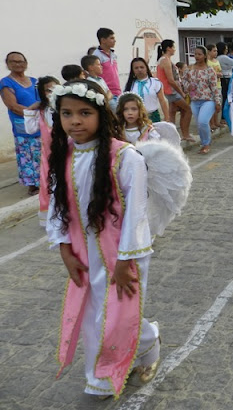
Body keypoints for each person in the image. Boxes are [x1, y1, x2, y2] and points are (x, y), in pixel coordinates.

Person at [46, 80, 160, 399]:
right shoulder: (64, 155)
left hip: (122, 252)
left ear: (101, 114)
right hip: (83, 252)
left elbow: (136, 213)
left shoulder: (125, 156)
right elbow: (57, 204)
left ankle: (139, 351)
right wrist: (65, 249)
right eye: (67, 113)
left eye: (84, 113)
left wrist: (125, 261)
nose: (75, 121)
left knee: (119, 312)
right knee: (94, 313)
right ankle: (103, 371)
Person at [0, 52, 41, 195]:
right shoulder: (6, 83)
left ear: (26, 63)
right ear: (7, 64)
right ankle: (33, 185)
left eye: (21, 61)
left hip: (38, 121)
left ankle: (44, 179)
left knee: (41, 151)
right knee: (27, 153)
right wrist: (33, 113)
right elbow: (13, 106)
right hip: (23, 123)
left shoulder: (34, 81)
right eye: (14, 61)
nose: (18, 64)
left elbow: (42, 99)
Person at [24, 76, 59, 224]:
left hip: (67, 152)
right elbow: (30, 129)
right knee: (49, 184)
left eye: (54, 89)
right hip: (49, 155)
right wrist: (30, 109)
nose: (51, 93)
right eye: (47, 90)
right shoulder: (42, 111)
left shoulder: (65, 108)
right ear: (41, 93)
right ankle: (53, 215)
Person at [182, 45, 220, 154]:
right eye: (195, 54)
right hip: (194, 101)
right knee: (199, 124)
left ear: (205, 56)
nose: (197, 56)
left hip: (208, 100)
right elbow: (183, 80)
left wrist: (217, 102)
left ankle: (206, 143)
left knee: (203, 121)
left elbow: (214, 87)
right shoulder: (189, 69)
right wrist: (188, 86)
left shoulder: (209, 70)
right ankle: (203, 143)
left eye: (199, 54)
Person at [156, 40, 194, 142]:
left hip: (170, 90)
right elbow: (171, 80)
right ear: (168, 48)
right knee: (188, 110)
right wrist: (181, 92)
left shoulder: (165, 59)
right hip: (171, 91)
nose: (174, 49)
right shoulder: (165, 60)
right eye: (173, 47)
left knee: (172, 113)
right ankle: (185, 134)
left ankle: (173, 136)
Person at [123, 58, 169, 124]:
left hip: (152, 116)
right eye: (136, 68)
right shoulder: (131, 85)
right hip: (136, 118)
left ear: (146, 68)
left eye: (142, 67)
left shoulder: (155, 82)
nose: (139, 70)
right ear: (132, 70)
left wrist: (167, 117)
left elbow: (162, 100)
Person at [92, 28, 121, 113]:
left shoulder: (113, 54)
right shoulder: (97, 56)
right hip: (107, 94)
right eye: (111, 38)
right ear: (103, 40)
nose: (114, 40)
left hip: (117, 92)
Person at [206, 44, 224, 131]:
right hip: (210, 86)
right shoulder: (207, 62)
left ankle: (216, 122)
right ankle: (211, 123)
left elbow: (220, 71)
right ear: (209, 52)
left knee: (218, 104)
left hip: (218, 84)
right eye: (214, 51)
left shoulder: (217, 61)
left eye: (216, 51)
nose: (216, 52)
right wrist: (216, 74)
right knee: (211, 105)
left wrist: (219, 74)